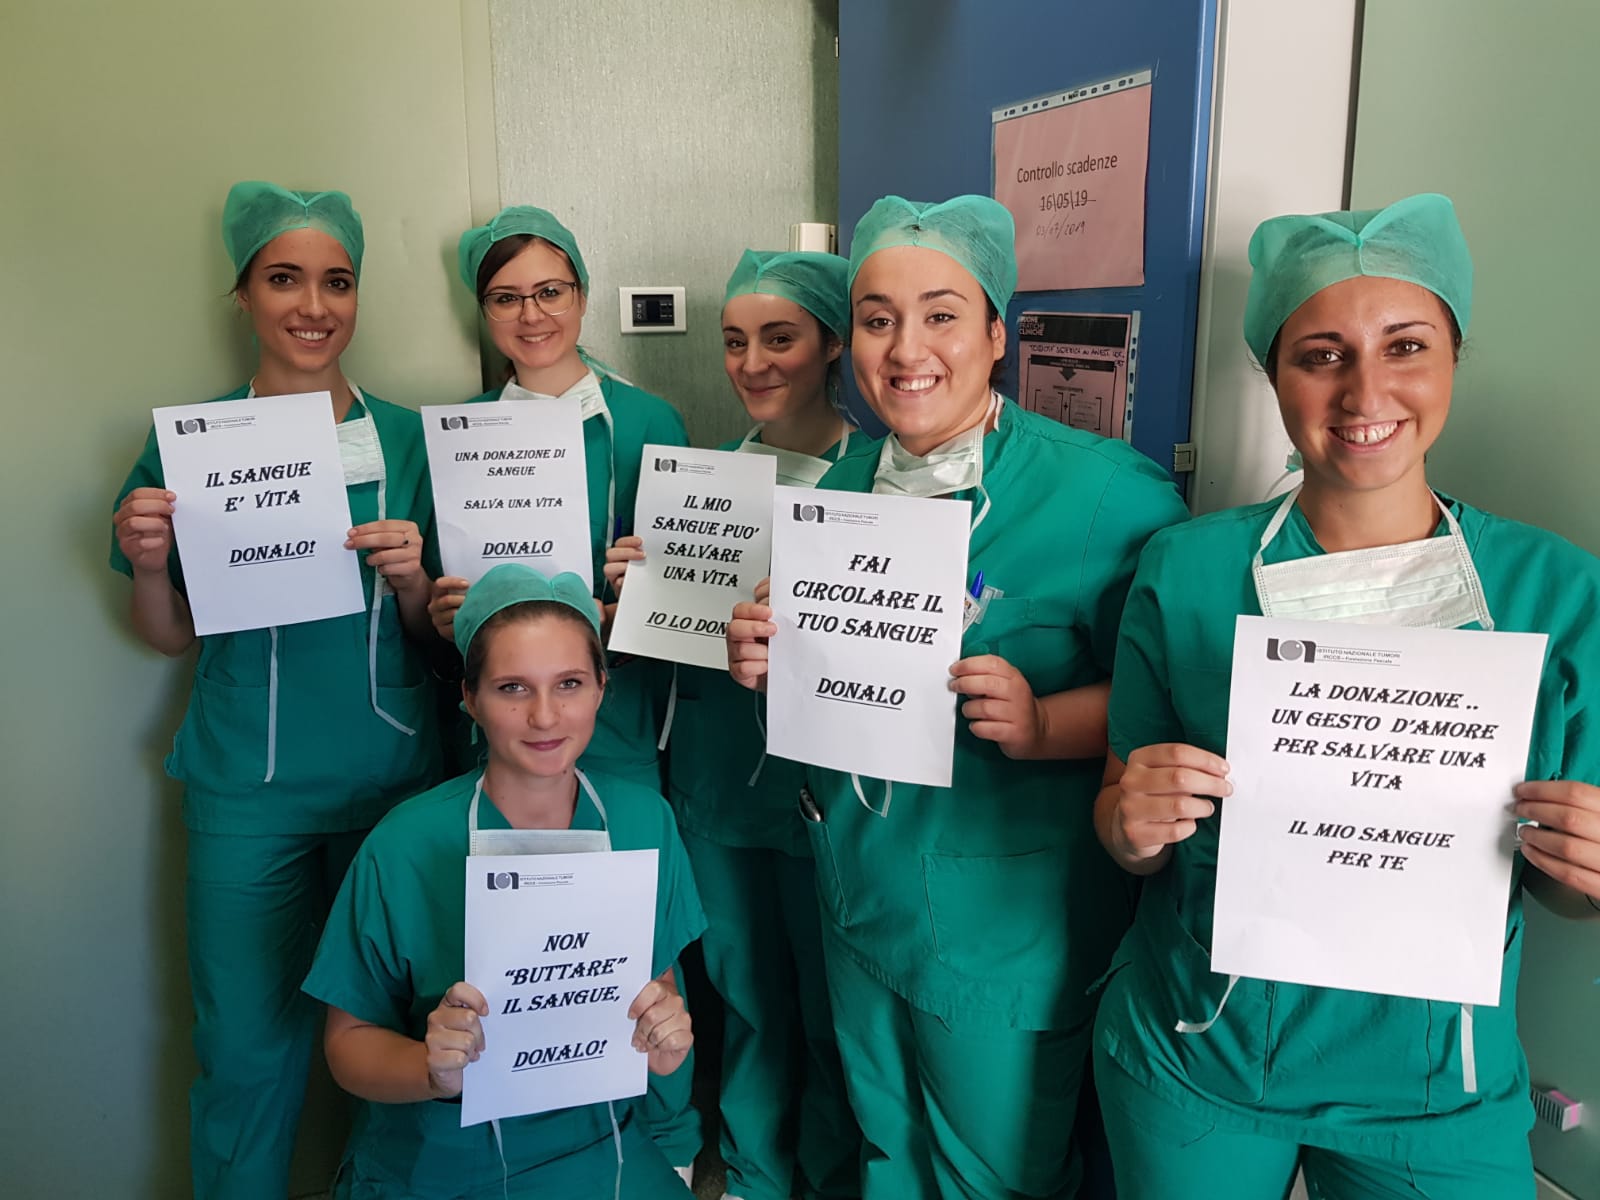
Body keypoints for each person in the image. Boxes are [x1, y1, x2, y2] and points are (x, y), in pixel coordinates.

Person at [1092, 193, 1600, 1200]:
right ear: (1274, 374)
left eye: (1405, 346)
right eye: (1320, 355)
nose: (1366, 391)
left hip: (1436, 1088)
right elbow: (1120, 825)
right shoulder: (1185, 571)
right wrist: (1131, 823)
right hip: (1199, 1053)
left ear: (1453, 357)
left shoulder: (1555, 591)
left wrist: (1585, 869)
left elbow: (1556, 886)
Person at [726, 196, 1190, 1199]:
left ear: (995, 333)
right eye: (877, 320)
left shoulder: (1108, 497)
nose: (906, 350)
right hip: (859, 890)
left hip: (1004, 930)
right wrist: (765, 652)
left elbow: (1177, 709)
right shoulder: (838, 487)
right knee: (887, 1155)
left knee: (994, 1178)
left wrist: (1044, 724)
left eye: (940, 315)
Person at [110, 181, 443, 1199]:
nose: (313, 305)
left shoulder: (411, 442)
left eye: (337, 282)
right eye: (284, 279)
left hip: (392, 784)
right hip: (246, 791)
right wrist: (152, 564)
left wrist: (415, 581)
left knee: (402, 1048)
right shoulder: (190, 445)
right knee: (246, 1050)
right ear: (243, 294)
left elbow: (449, 638)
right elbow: (169, 636)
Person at [303, 564, 705, 1197]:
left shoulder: (643, 821)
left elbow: (655, 986)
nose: (545, 716)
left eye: (569, 683)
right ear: (470, 698)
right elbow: (347, 1044)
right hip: (443, 1154)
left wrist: (664, 1041)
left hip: (602, 1145)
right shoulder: (405, 844)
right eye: (512, 687)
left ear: (602, 687)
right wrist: (431, 1069)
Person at [606, 249, 864, 1200]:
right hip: (717, 779)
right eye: (734, 341)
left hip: (828, 791)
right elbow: (661, 646)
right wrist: (636, 592)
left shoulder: (878, 488)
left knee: (834, 1009)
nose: (752, 363)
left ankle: (828, 1178)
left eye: (779, 338)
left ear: (832, 344)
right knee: (746, 996)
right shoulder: (700, 486)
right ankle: (754, 1175)